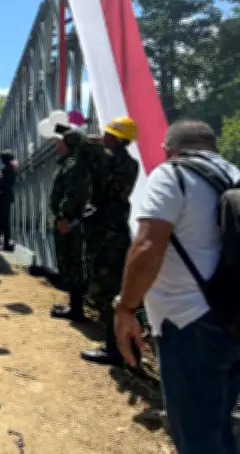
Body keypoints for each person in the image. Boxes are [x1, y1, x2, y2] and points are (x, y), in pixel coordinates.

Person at [115, 120, 240, 453]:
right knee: (220, 423)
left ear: (169, 149)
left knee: (197, 435)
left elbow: (147, 246)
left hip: (190, 322)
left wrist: (126, 308)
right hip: (234, 318)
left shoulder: (173, 174)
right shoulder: (234, 173)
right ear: (211, 145)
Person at [80, 117, 139, 365]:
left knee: (105, 290)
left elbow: (90, 167)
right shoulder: (131, 163)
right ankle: (125, 346)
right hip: (118, 229)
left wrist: (87, 143)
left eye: (107, 134)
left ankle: (113, 349)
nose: (103, 137)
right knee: (115, 286)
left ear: (115, 137)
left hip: (103, 231)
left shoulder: (104, 159)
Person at [48, 125, 90, 323]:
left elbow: (73, 194)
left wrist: (64, 216)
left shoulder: (72, 164)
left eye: (60, 141)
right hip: (70, 221)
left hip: (70, 223)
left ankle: (76, 309)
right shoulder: (70, 163)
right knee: (69, 264)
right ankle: (74, 306)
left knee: (72, 263)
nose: (57, 144)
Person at [0, 150, 16, 251]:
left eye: (2, 158)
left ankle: (6, 243)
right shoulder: (10, 168)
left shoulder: (7, 169)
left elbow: (3, 183)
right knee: (4, 221)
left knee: (4, 221)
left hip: (4, 197)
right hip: (5, 196)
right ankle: (6, 242)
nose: (1, 160)